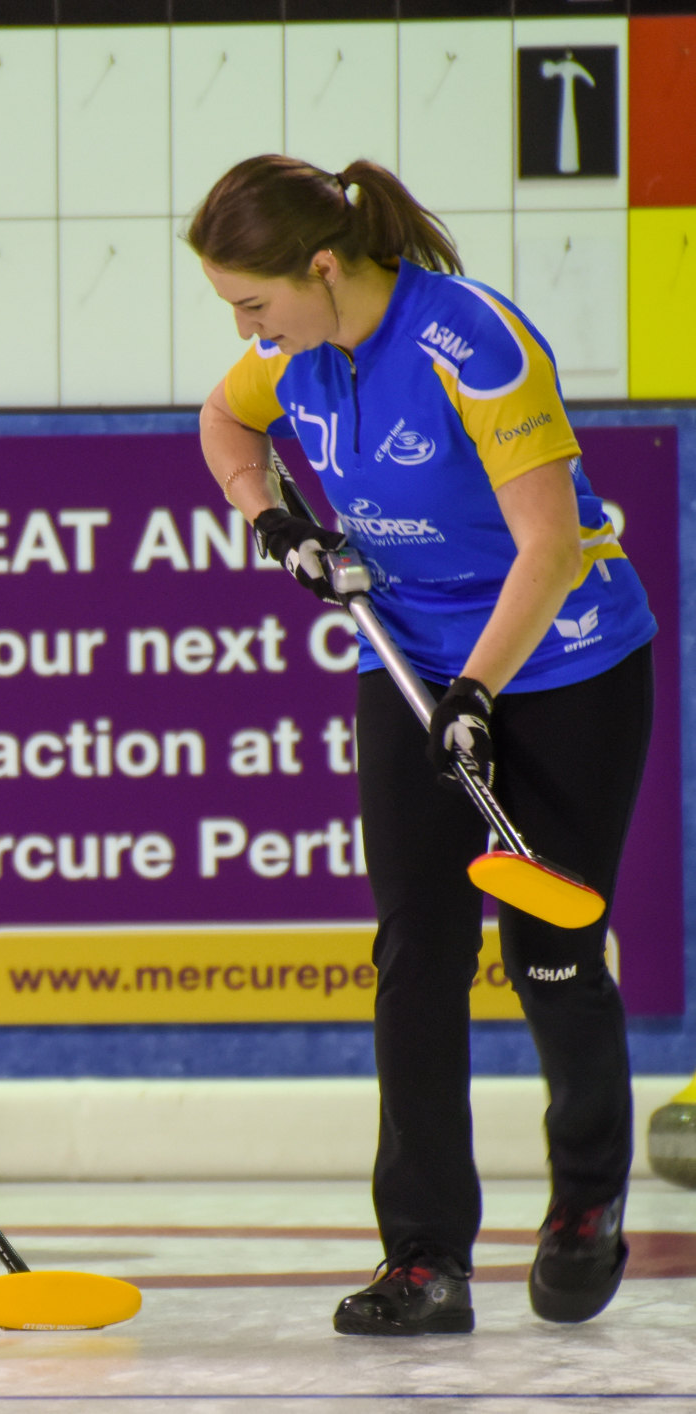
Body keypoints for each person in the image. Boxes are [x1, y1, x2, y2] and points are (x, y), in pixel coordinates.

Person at [188, 155, 654, 1335]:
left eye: (253, 303)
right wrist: (271, 518)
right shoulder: (291, 355)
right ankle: (424, 1256)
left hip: (563, 662)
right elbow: (223, 421)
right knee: (417, 955)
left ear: (323, 266)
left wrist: (479, 690)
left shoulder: (471, 340)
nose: (245, 330)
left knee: (551, 950)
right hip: (407, 667)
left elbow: (550, 545)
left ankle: (585, 1200)